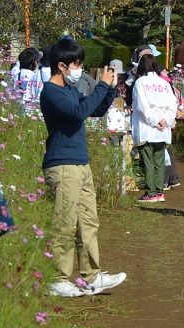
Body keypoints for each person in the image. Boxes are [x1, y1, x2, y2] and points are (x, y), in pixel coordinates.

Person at [39, 37, 126, 298]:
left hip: (80, 162)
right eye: (77, 64)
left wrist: (109, 88)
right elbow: (79, 112)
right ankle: (58, 277)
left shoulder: (69, 89)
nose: (79, 70)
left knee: (88, 221)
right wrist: (100, 85)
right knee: (64, 223)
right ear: (62, 66)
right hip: (62, 165)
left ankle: (93, 276)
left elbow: (95, 109)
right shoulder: (51, 92)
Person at [131, 54, 177, 202]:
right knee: (159, 160)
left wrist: (154, 121)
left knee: (148, 160)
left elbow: (142, 106)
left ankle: (150, 192)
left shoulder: (140, 82)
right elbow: (173, 103)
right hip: (163, 128)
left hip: (147, 127)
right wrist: (166, 120)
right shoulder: (164, 83)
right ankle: (159, 192)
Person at [157, 63, 181, 190]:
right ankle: (173, 178)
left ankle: (165, 181)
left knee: (163, 151)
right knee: (168, 150)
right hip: (168, 120)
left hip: (162, 122)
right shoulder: (169, 84)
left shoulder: (161, 84)